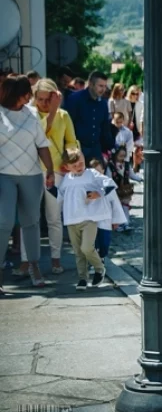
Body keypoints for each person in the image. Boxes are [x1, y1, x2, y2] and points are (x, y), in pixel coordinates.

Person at [0, 76, 55, 288]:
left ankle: (34, 266)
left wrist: (49, 169)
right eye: (26, 94)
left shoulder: (31, 115)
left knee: (31, 221)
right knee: (3, 223)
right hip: (4, 175)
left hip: (31, 175)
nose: (29, 98)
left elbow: (42, 144)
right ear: (17, 94)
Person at [31, 79, 77, 274]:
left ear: (54, 97)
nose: (43, 103)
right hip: (32, 170)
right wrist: (51, 112)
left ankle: (56, 259)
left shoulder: (63, 115)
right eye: (39, 99)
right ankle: (28, 261)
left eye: (47, 100)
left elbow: (71, 141)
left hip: (57, 171)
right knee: (30, 218)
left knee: (54, 218)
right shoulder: (30, 114)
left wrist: (72, 159)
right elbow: (39, 134)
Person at [58, 148, 115, 290]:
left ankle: (99, 268)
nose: (79, 167)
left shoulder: (91, 174)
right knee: (78, 251)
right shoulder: (66, 179)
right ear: (66, 167)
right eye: (74, 166)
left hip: (89, 218)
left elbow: (109, 183)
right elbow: (60, 195)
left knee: (86, 247)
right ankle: (82, 278)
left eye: (81, 163)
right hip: (72, 219)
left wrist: (99, 193)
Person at [65, 71, 114, 165]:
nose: (103, 89)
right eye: (100, 86)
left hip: (95, 149)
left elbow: (105, 128)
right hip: (77, 149)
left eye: (105, 86)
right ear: (91, 84)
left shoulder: (103, 104)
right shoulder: (75, 99)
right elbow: (68, 124)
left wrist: (109, 146)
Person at [87, 157, 128, 260]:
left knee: (104, 242)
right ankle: (95, 263)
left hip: (105, 218)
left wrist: (116, 220)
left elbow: (115, 203)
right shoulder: (86, 186)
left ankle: (102, 257)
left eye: (99, 171)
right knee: (92, 242)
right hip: (91, 219)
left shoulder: (108, 185)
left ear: (103, 171)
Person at [106, 146, 141, 232]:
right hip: (114, 190)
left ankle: (126, 223)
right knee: (116, 207)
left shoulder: (126, 164)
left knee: (125, 206)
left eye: (124, 156)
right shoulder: (110, 166)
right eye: (120, 156)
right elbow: (108, 178)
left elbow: (131, 174)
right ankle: (117, 224)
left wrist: (139, 179)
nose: (122, 158)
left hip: (125, 190)